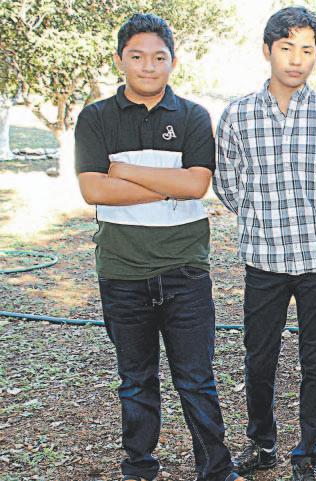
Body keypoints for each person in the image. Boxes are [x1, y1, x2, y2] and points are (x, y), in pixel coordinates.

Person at [74, 13, 242, 481]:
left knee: (196, 379)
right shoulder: (96, 118)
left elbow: (196, 185)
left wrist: (124, 171)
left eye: (158, 57)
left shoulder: (192, 116)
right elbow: (94, 190)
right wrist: (169, 184)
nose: (148, 66)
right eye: (137, 56)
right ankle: (139, 468)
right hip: (122, 271)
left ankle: (216, 470)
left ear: (173, 61)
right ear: (119, 60)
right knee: (135, 381)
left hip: (184, 271)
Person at [211, 6, 316, 481]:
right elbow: (227, 183)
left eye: (307, 50)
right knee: (259, 357)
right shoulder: (237, 115)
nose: (296, 59)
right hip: (264, 258)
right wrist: (259, 216)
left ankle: (307, 453)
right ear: (267, 51)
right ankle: (262, 443)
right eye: (287, 48)